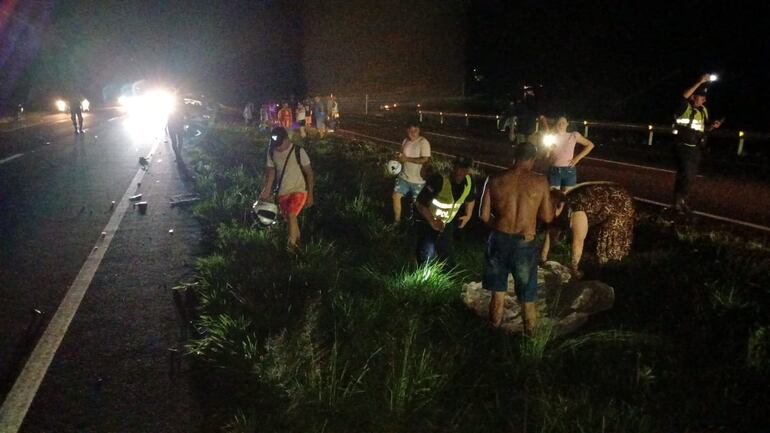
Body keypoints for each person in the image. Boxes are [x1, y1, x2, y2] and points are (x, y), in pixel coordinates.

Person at [480, 141, 553, 333]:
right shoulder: (540, 181)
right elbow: (547, 216)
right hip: (525, 241)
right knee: (527, 297)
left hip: (499, 240)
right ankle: (530, 341)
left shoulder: (494, 179)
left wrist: (500, 224)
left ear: (515, 156)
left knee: (498, 294)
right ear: (533, 158)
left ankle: (493, 336)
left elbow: (484, 215)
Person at [540, 182, 634, 279]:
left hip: (618, 202)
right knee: (593, 238)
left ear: (559, 206)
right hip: (597, 203)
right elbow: (550, 231)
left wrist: (573, 269)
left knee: (608, 245)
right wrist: (543, 258)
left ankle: (612, 273)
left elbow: (578, 244)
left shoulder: (577, 213)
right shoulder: (558, 205)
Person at [671, 74, 722, 214]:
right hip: (683, 147)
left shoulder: (703, 111)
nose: (704, 99)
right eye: (701, 96)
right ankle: (677, 202)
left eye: (705, 97)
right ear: (693, 96)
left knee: (691, 176)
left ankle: (682, 201)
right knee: (686, 174)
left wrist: (712, 126)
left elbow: (702, 128)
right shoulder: (684, 107)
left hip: (696, 149)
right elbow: (683, 96)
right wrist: (699, 81)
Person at [414, 156, 477, 265]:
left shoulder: (469, 182)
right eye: (457, 168)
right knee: (427, 257)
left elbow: (470, 198)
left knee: (448, 258)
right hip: (427, 221)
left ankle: (448, 276)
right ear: (452, 167)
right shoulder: (439, 180)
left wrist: (468, 215)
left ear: (468, 171)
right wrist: (432, 221)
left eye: (463, 169)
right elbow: (420, 203)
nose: (459, 172)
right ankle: (423, 276)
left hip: (446, 223)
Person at [259, 127, 315, 248]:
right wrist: (266, 190)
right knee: (290, 220)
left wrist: (310, 194)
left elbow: (309, 173)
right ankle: (299, 247)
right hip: (282, 193)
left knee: (291, 215)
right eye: (275, 144)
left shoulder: (298, 151)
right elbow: (271, 172)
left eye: (280, 144)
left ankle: (289, 248)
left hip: (299, 190)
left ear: (287, 139)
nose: (278, 147)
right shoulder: (271, 152)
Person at [392, 123, 431, 223]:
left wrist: (407, 159)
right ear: (407, 130)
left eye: (415, 130)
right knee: (396, 196)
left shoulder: (423, 142)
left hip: (418, 180)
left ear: (419, 131)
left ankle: (417, 222)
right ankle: (397, 222)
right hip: (404, 177)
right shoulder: (405, 141)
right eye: (410, 130)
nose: (412, 133)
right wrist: (398, 158)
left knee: (418, 204)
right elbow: (402, 156)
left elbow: (425, 160)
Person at [546, 116, 595, 191]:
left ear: (567, 124)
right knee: (554, 196)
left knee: (568, 195)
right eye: (559, 123)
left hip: (569, 170)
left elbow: (590, 145)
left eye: (563, 123)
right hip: (554, 170)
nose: (561, 125)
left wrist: (577, 158)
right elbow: (546, 156)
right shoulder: (551, 137)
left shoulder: (573, 135)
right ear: (556, 124)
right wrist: (548, 150)